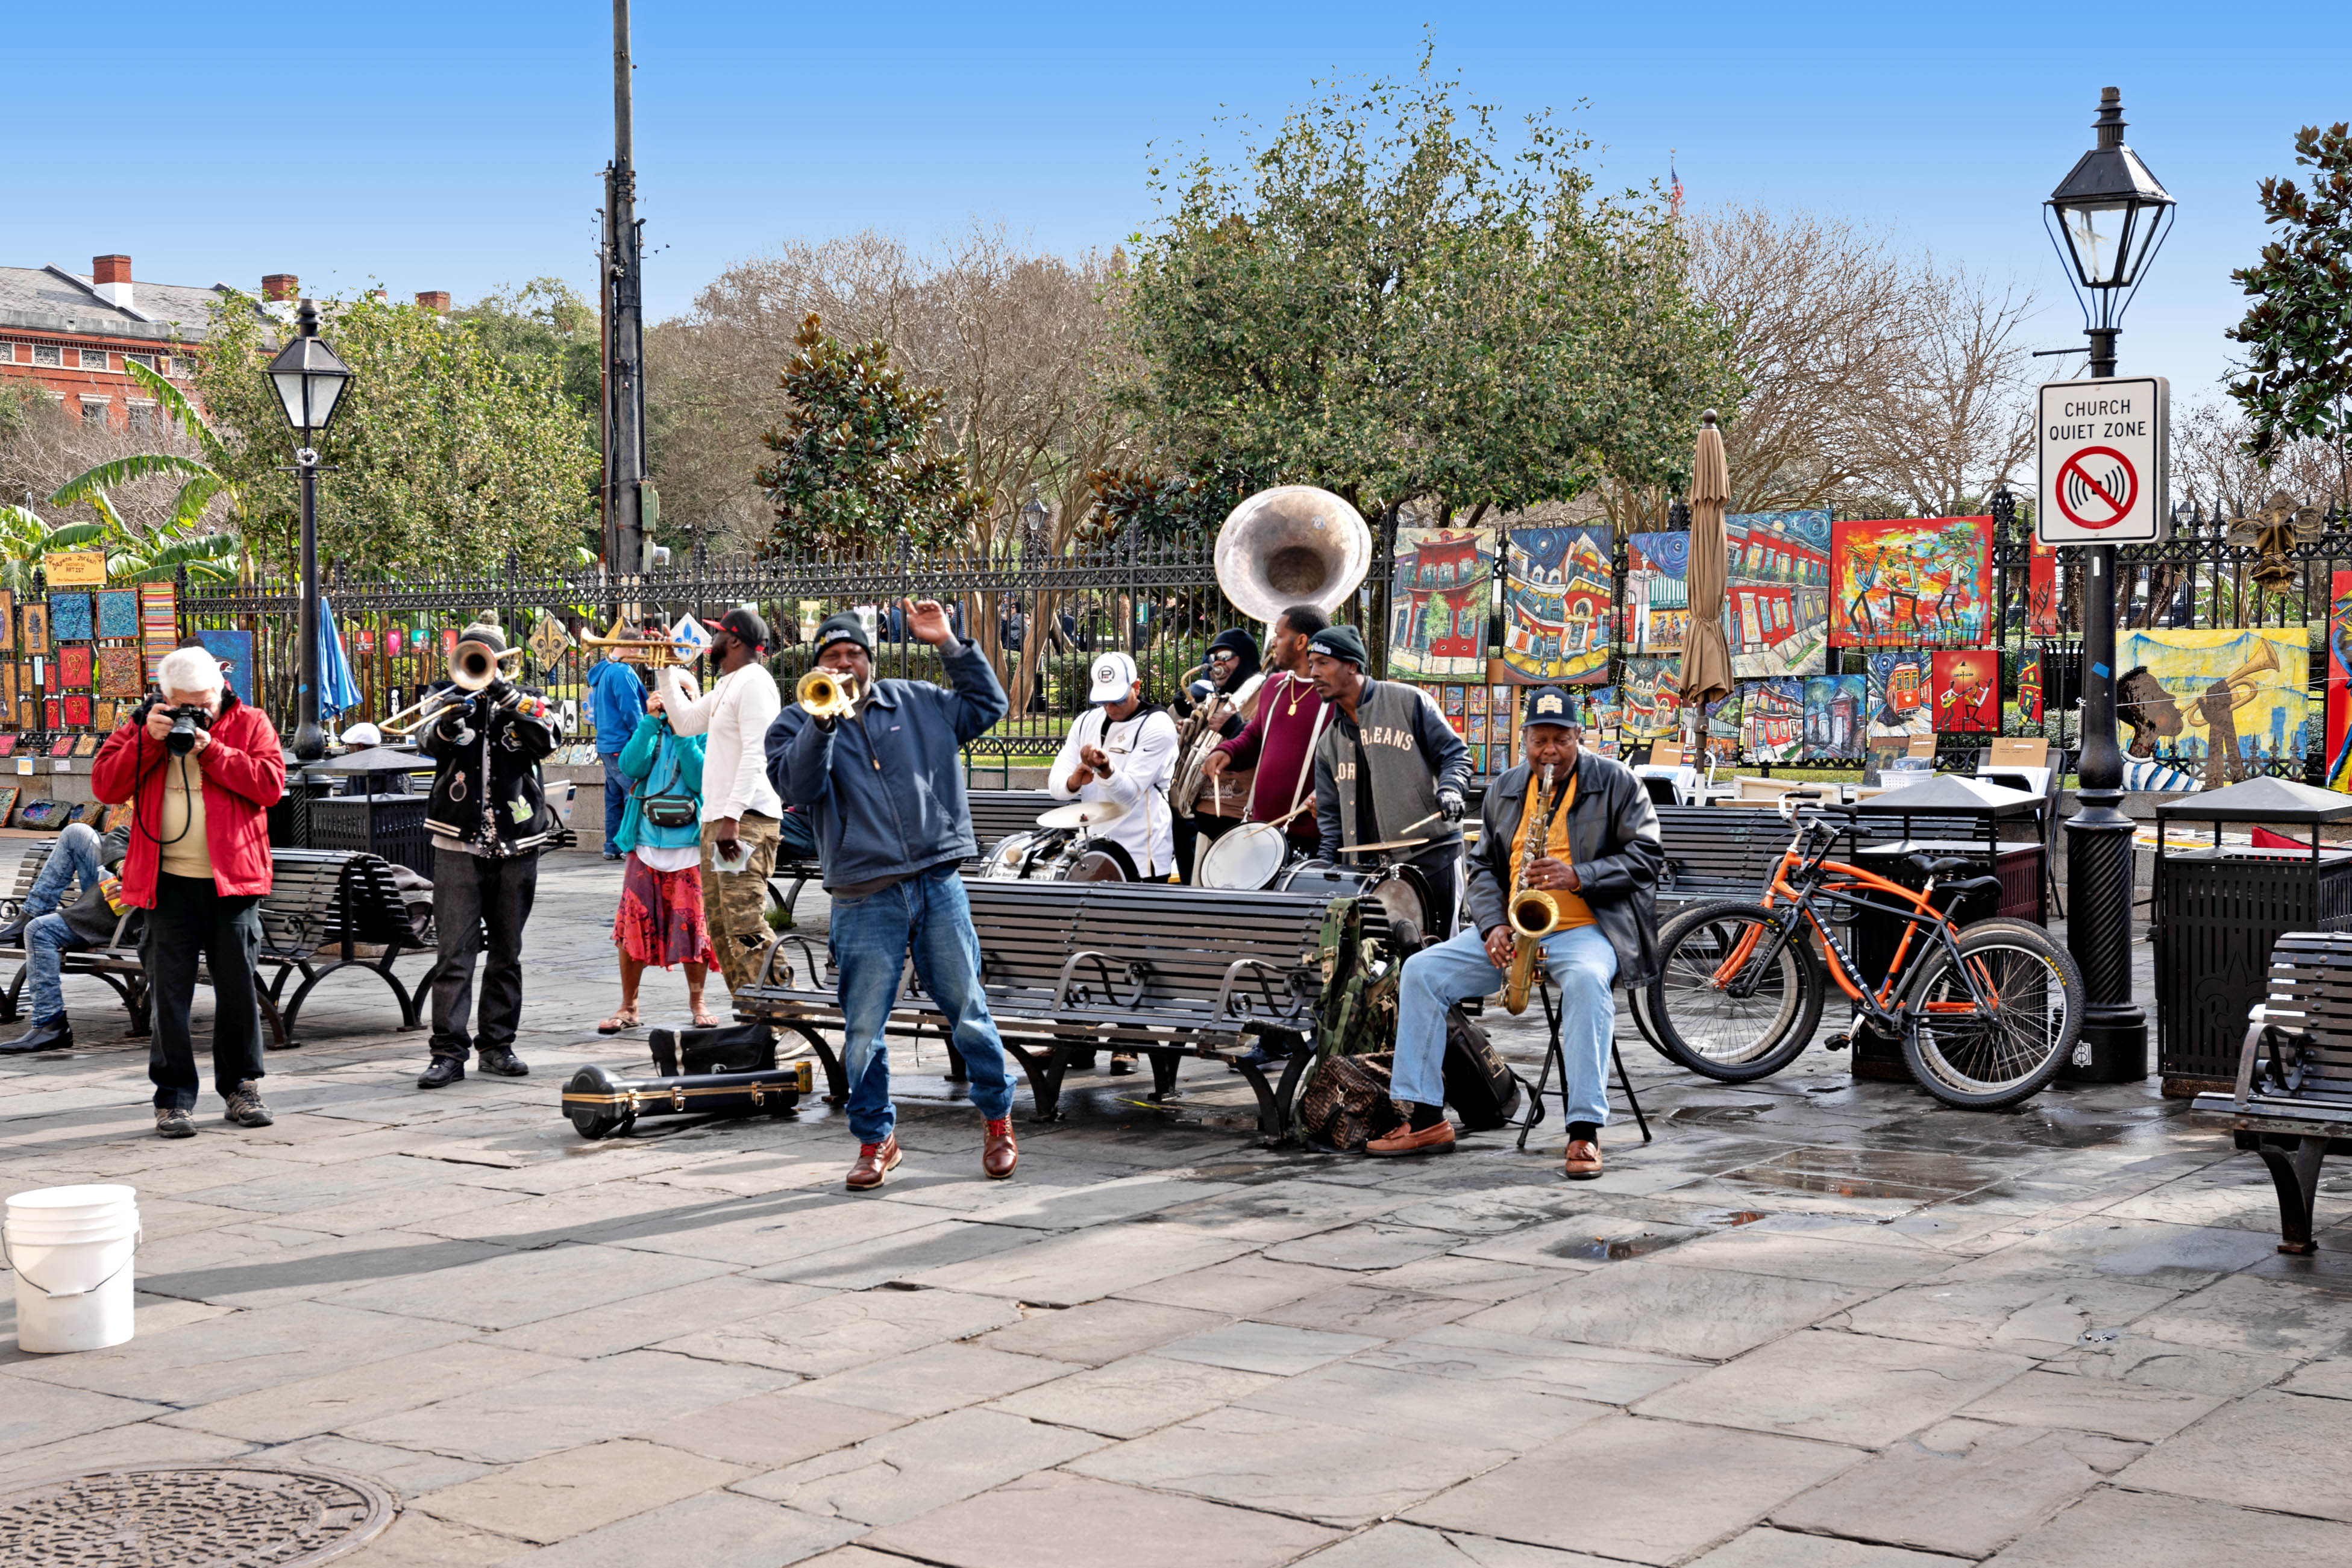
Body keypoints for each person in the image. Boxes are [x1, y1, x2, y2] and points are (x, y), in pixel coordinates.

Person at [768, 599, 1021, 1190]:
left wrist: (951, 646)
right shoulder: (792, 723)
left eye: (854, 654)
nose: (844, 664)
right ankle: (875, 1139)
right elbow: (799, 785)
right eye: (832, 656)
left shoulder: (917, 700)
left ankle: (998, 1121)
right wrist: (821, 722)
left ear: (871, 660)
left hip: (937, 882)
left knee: (970, 1014)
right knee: (862, 1030)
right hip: (863, 895)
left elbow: (990, 706)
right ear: (816, 666)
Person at [1368, 688, 1661, 1178]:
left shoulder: (1617, 781)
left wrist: (1579, 876)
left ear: (1578, 737)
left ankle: (1583, 1132)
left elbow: (1647, 857)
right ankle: (1423, 1118)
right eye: (1539, 740)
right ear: (1523, 739)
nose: (1549, 752)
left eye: (1561, 740)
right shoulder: (1506, 787)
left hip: (1588, 929)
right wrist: (1493, 925)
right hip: (1514, 928)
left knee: (1587, 985)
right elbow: (1482, 867)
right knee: (1420, 970)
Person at [89, 648, 286, 1137]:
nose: (200, 713)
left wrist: (211, 749)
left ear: (220, 689)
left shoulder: (250, 722)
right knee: (169, 997)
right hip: (165, 883)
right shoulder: (143, 726)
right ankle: (173, 1099)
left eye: (207, 703)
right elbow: (105, 787)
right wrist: (147, 742)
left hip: (232, 882)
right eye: (187, 705)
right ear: (165, 697)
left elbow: (270, 786)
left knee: (238, 992)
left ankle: (241, 1088)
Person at [417, 623, 562, 1089]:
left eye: (486, 659)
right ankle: (447, 1052)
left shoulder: (527, 698)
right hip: (456, 842)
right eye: (472, 658)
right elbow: (424, 744)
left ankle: (498, 1045)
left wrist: (504, 695)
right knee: (453, 954)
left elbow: (550, 738)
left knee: (507, 952)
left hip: (517, 841)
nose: (478, 666)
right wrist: (446, 723)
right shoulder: (443, 697)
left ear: (505, 662)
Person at [1306, 623, 1472, 939]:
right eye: (1312, 663)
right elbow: (1331, 823)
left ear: (1352, 665)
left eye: (1323, 663)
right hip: (1367, 873)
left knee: (1438, 954)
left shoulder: (1408, 702)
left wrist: (1451, 789)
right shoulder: (1328, 743)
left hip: (1430, 857)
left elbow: (1455, 754)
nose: (1314, 672)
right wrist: (1325, 870)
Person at [657, 606, 785, 1003]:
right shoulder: (729, 684)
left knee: (745, 921)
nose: (709, 643)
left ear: (733, 641)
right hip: (722, 822)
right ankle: (754, 1010)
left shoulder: (754, 683)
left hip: (743, 822)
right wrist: (664, 668)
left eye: (715, 635)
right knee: (724, 923)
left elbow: (756, 754)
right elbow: (685, 722)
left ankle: (789, 1011)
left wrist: (730, 819)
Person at [1201, 604, 1331, 866]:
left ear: (1301, 641)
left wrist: (1330, 795)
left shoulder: (1333, 694)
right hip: (1259, 830)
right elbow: (1254, 736)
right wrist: (1226, 752)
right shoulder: (1274, 685)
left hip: (1311, 837)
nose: (1274, 642)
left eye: (1280, 635)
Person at [0, 821, 137, 1055]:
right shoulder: (163, 810)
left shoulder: (188, 827)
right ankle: (32, 912)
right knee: (77, 832)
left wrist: (139, 880)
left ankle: (50, 1026)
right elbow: (122, 834)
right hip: (115, 889)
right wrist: (123, 864)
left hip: (134, 911)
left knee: (39, 931)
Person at [1047, 651, 1181, 882]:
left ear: (1136, 687)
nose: (1110, 708)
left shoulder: (1157, 725)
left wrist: (1105, 770)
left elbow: (1129, 794)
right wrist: (1074, 781)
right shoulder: (1085, 722)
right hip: (1093, 851)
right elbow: (1056, 787)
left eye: (1117, 700)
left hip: (1142, 855)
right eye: (1103, 700)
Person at [1169, 628, 1264, 883]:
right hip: (1203, 819)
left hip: (1240, 822)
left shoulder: (1264, 695)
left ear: (1244, 659)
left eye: (1225, 656)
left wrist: (1234, 727)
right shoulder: (1215, 699)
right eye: (1213, 658)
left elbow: (1263, 742)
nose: (1217, 664)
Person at [588, 629, 650, 861]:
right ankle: (627, 845)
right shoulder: (622, 672)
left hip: (607, 743)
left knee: (614, 798)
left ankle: (612, 846)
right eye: (641, 647)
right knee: (633, 794)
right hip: (623, 744)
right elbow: (631, 710)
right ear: (632, 647)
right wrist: (644, 737)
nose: (642, 652)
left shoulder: (604, 670)